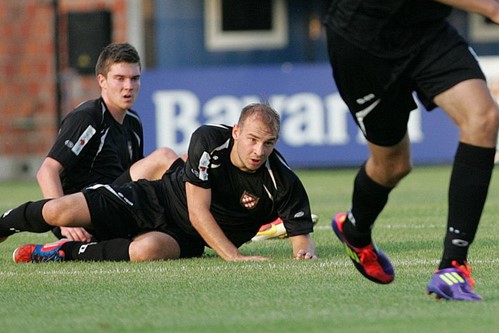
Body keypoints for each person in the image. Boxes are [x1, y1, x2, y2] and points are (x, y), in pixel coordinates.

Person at [323, 0, 499, 300]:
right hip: (364, 42)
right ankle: (355, 229)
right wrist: (496, 11)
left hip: (424, 32)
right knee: (392, 165)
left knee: (484, 117)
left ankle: (453, 267)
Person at [0, 103, 317, 262]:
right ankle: (4, 225)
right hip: (155, 198)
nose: (258, 151)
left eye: (268, 143)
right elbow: (197, 211)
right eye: (252, 139)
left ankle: (64, 253)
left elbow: (301, 238)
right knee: (60, 212)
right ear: (236, 131)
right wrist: (234, 257)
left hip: (190, 239)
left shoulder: (283, 180)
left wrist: (303, 254)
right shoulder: (208, 140)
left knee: (145, 251)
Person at [35, 42, 179, 242]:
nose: (128, 86)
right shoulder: (89, 117)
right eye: (120, 79)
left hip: (115, 207)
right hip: (80, 216)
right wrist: (63, 221)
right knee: (164, 158)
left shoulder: (133, 122)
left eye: (135, 78)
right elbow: (47, 171)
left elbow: (139, 181)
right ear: (102, 80)